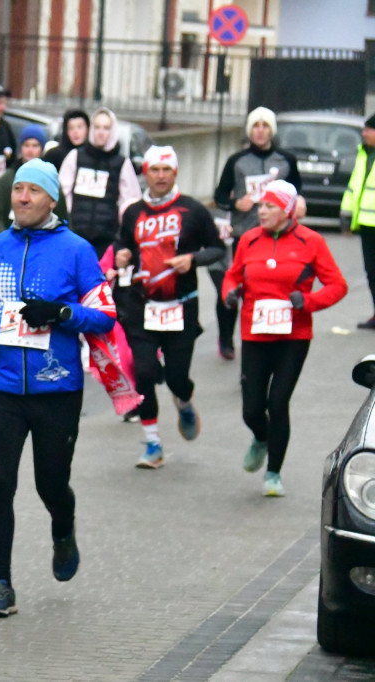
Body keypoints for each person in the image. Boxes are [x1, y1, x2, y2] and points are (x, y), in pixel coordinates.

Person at [0, 159, 117, 618]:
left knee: (51, 484)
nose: (22, 197)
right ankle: (1, 585)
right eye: (17, 189)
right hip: (3, 389)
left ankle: (63, 529)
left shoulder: (77, 250)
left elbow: (104, 314)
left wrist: (61, 313)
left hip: (57, 390)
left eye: (32, 190)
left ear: (52, 199)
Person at [221, 180, 346, 497]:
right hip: (254, 332)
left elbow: (337, 285)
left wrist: (309, 301)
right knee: (251, 409)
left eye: (270, 206)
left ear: (288, 210)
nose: (261, 211)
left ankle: (273, 474)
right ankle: (261, 438)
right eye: (261, 205)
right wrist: (230, 293)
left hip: (294, 335)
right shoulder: (248, 240)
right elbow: (234, 274)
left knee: (278, 402)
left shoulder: (311, 242)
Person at [113, 146, 226, 469]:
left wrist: (192, 259)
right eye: (154, 170)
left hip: (181, 307)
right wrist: (122, 254)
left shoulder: (193, 210)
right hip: (142, 306)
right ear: (145, 173)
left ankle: (185, 402)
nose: (160, 177)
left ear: (175, 173)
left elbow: (217, 249)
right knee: (145, 373)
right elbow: (124, 242)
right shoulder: (134, 212)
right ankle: (153, 445)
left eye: (166, 170)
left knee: (177, 377)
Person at [212, 106, 304, 360]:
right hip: (244, 234)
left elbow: (297, 193)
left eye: (265, 126)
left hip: (277, 236)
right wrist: (234, 203)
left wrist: (298, 206)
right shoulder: (237, 161)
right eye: (255, 126)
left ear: (272, 130)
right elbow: (219, 195)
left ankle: (262, 338)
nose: (260, 131)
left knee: (266, 289)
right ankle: (226, 338)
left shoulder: (286, 160)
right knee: (232, 288)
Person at [59, 107, 140, 258]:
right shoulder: (75, 157)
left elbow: (129, 200)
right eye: (97, 127)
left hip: (106, 240)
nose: (101, 132)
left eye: (106, 128)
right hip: (75, 235)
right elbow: (63, 193)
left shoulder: (122, 163)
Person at [0, 123, 67, 234]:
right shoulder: (8, 179)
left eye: (35, 146)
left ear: (42, 149)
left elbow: (62, 219)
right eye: (26, 145)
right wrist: (4, 241)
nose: (30, 150)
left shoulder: (51, 181)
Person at [340, 114, 375, 329]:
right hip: (366, 222)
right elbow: (354, 187)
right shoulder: (365, 154)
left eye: (368, 130)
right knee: (371, 271)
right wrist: (346, 215)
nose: (363, 134)